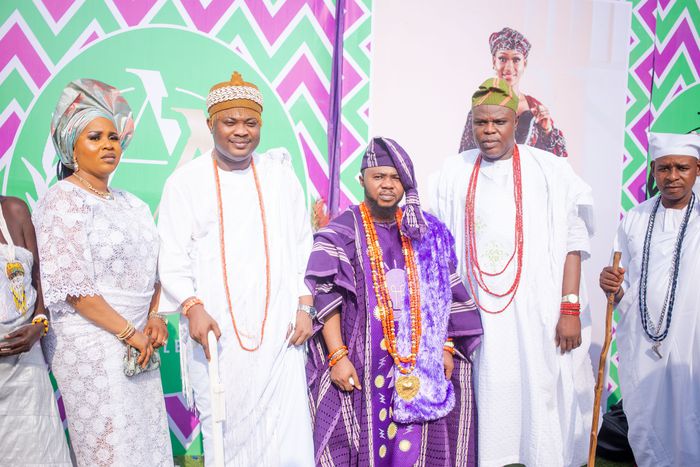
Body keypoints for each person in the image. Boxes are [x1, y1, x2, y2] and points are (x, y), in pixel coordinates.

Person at [432, 78, 596, 467]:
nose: (489, 131)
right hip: (478, 315)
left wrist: (569, 307)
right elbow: (434, 244)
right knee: (488, 399)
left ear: (515, 123)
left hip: (538, 313)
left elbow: (573, 241)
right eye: (481, 123)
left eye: (498, 122)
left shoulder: (550, 170)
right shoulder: (454, 171)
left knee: (539, 397)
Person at [157, 71, 314, 466]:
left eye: (251, 122)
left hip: (280, 330)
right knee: (222, 427)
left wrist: (304, 306)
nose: (241, 131)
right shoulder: (184, 183)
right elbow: (171, 255)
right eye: (230, 122)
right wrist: (191, 305)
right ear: (210, 124)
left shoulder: (281, 178)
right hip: (217, 330)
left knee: (285, 432)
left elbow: (302, 245)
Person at [305, 137, 483, 466]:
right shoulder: (341, 232)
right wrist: (338, 356)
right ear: (362, 180)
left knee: (416, 448)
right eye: (379, 176)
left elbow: (446, 294)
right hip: (361, 363)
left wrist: (445, 346)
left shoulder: (426, 231)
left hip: (420, 364)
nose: (387, 184)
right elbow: (325, 296)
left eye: (395, 178)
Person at [32, 79, 172, 466]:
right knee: (111, 448)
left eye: (113, 137)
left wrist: (155, 317)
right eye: (95, 137)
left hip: (138, 341)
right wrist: (128, 332)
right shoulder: (62, 200)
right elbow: (72, 286)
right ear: (70, 147)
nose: (108, 145)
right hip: (90, 342)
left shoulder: (133, 204)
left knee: (146, 445)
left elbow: (157, 271)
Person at [599, 132, 700, 466]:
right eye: (663, 168)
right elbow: (623, 285)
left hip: (692, 342)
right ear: (653, 171)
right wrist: (611, 285)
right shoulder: (635, 218)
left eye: (682, 168)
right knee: (646, 417)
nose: (672, 176)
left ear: (697, 170)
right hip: (645, 341)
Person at [0, 196, 71, 465]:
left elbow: (39, 276)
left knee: (39, 449)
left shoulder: (13, 210)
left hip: (25, 360)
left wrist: (39, 324)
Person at [458, 27, 568, 157]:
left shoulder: (534, 107)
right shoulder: (481, 106)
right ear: (494, 61)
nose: (509, 68)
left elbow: (556, 161)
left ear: (524, 64)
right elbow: (465, 157)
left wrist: (547, 130)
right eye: (502, 59)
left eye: (516, 60)